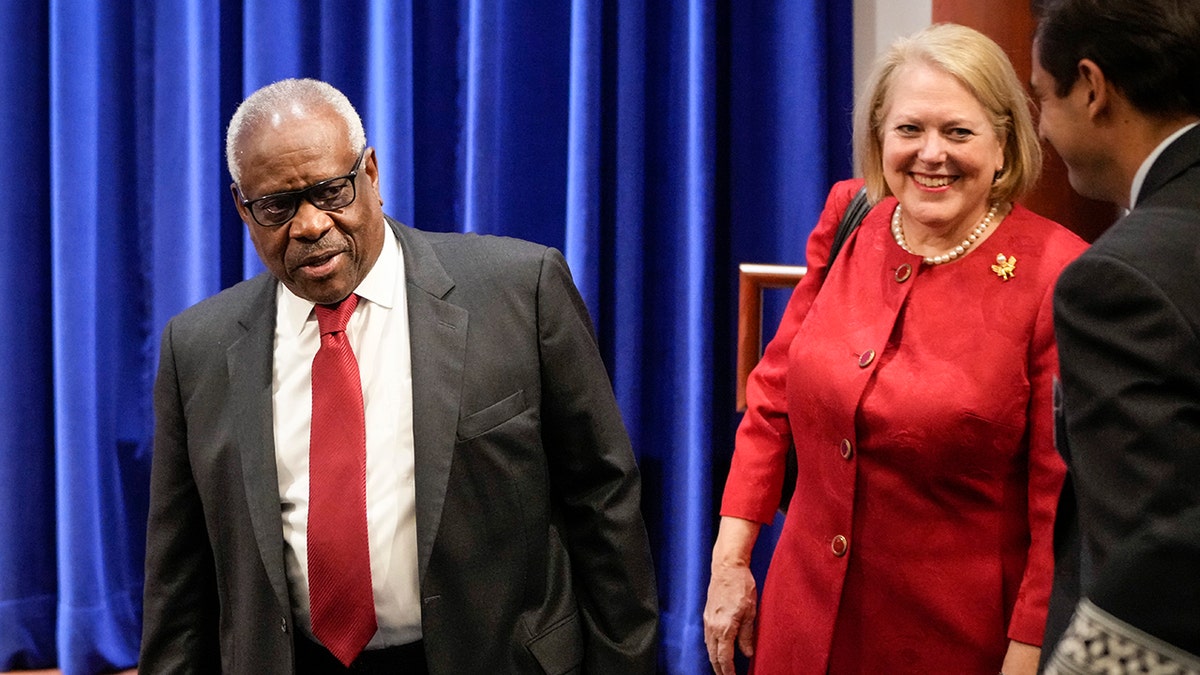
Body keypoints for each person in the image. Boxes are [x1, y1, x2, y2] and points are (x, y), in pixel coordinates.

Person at [139, 78, 659, 674]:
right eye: (278, 207)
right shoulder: (198, 349)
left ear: (372, 174)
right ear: (242, 208)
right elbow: (178, 583)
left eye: (330, 191)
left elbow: (603, 501)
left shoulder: (522, 291)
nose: (310, 225)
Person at [704, 24, 1087, 675]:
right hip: (802, 629)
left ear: (1003, 144)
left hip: (953, 642)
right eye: (909, 129)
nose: (930, 154)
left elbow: (1063, 507)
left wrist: (1028, 653)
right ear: (879, 137)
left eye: (958, 132)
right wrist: (730, 558)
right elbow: (773, 391)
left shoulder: (1058, 272)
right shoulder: (850, 215)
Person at [1030, 0, 1200, 670]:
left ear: (1092, 88)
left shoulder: (1116, 280)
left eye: (1043, 98)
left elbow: (1157, 566)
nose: (1041, 128)